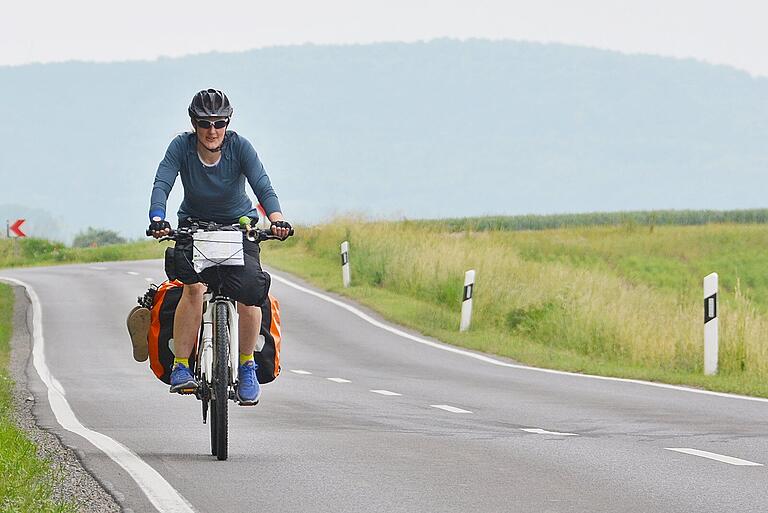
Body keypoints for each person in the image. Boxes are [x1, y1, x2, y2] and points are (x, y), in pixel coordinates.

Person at [137, 88, 290, 405]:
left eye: (219, 123)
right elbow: (162, 182)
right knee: (192, 290)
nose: (212, 130)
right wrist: (157, 217)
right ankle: (181, 367)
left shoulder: (239, 147)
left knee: (250, 293)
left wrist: (276, 219)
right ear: (194, 123)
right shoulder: (181, 147)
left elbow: (262, 184)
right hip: (194, 226)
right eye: (205, 123)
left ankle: (247, 364)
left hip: (239, 228)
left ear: (227, 123)